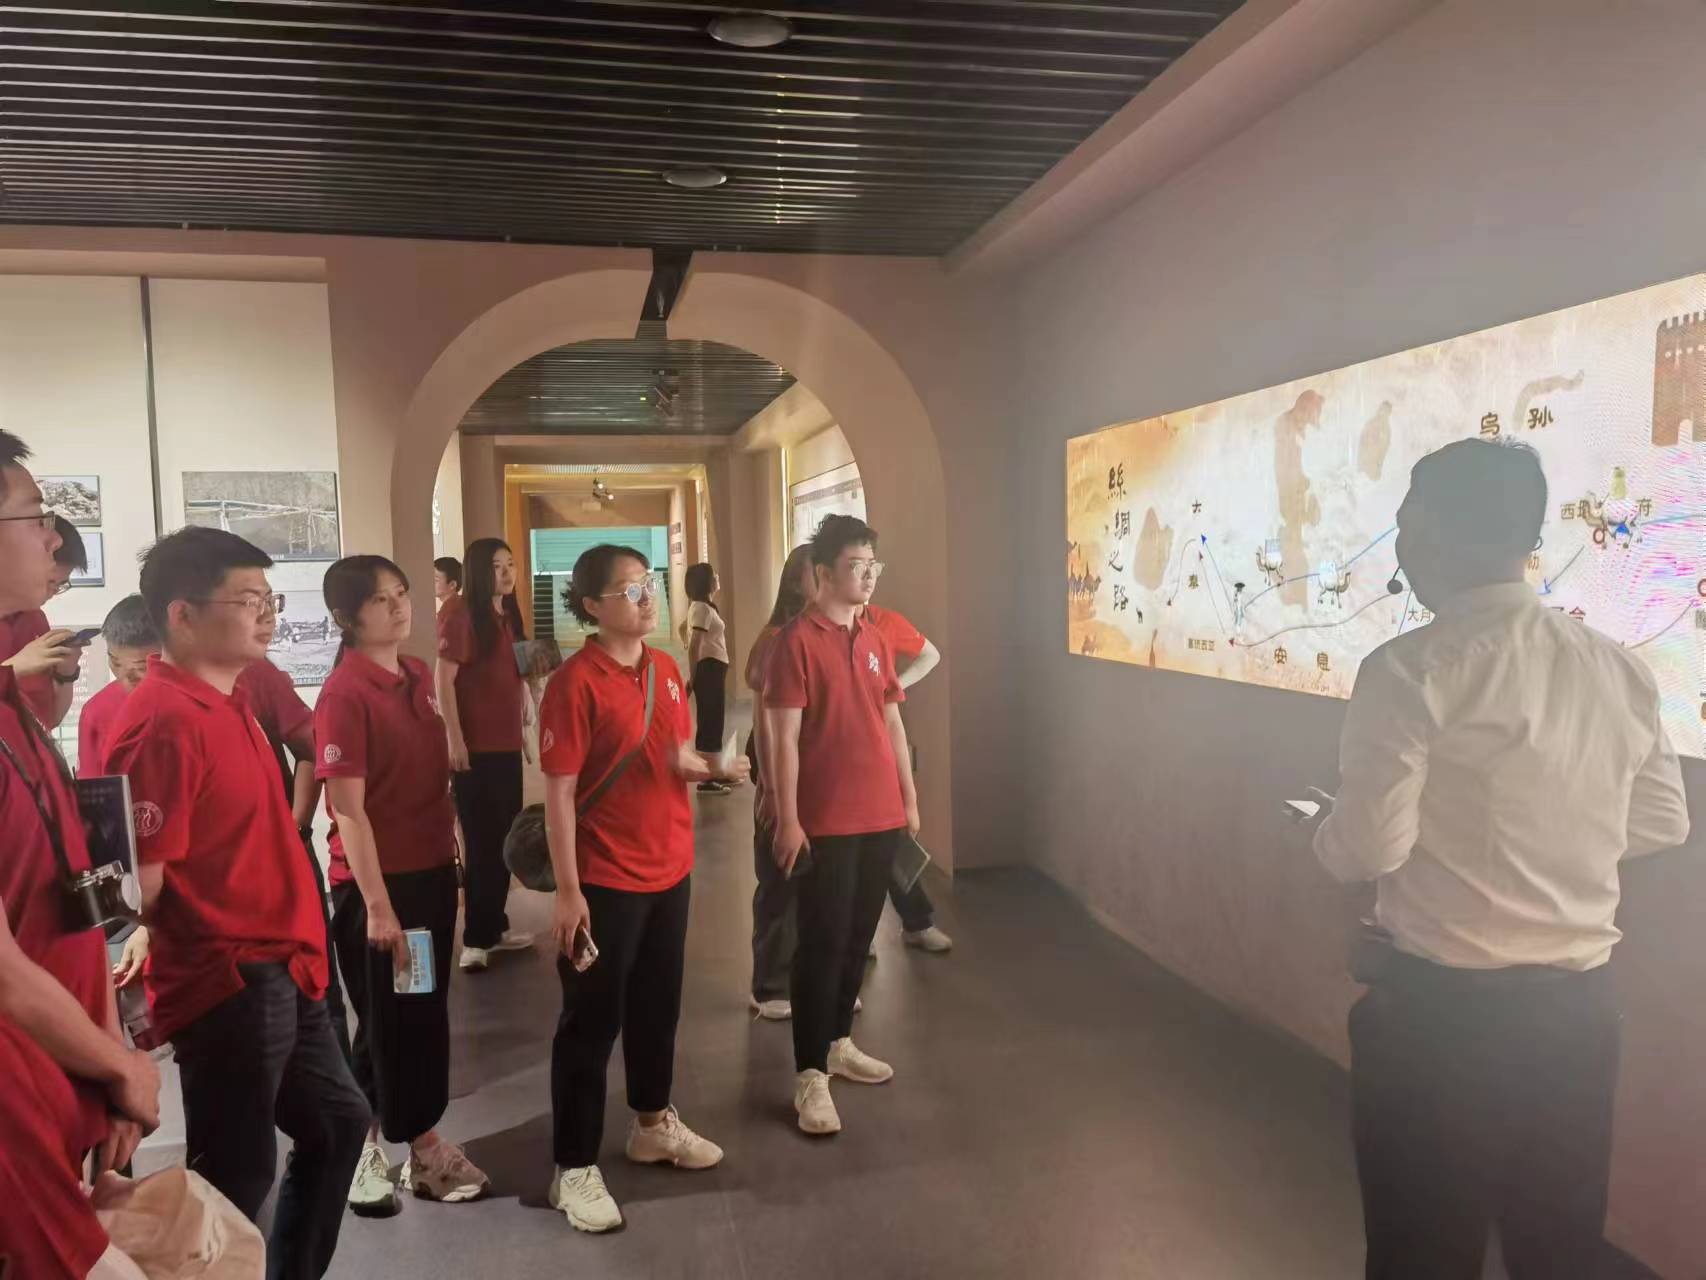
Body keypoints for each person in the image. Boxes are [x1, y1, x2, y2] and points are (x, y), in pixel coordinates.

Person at [1307, 439, 1690, 1280]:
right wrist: (1555, 837)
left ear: (1432, 534)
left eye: (1405, 525)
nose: (1401, 547)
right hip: (1579, 1020)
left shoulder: (1408, 669)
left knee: (1422, 1254)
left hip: (1437, 1024)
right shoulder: (1618, 668)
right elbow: (1664, 821)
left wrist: (1322, 833)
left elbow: (1366, 848)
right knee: (1559, 1251)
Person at [105, 525, 369, 1279]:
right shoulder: (162, 720)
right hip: (231, 979)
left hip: (284, 963)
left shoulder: (228, 700)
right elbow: (144, 884)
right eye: (247, 599)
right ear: (183, 614)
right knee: (234, 1177)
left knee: (338, 1122)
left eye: (268, 598)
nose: (267, 613)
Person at [538, 544, 745, 1233]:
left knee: (658, 1006)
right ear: (591, 607)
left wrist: (714, 767)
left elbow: (672, 755)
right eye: (629, 589)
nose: (647, 596)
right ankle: (572, 1167)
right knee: (590, 1023)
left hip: (671, 867)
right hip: (604, 880)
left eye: (649, 583)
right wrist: (569, 891)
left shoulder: (665, 668)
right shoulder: (574, 683)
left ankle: (652, 1124)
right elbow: (560, 794)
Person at [0, 430, 161, 1279]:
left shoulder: (20, 720)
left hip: (64, 1083)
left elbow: (77, 900)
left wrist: (108, 1060)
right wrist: (118, 1064)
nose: (56, 541)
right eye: (35, 517)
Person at [317, 555, 490, 1218]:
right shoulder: (344, 694)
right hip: (378, 888)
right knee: (387, 1018)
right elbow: (349, 812)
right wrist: (379, 907)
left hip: (427, 877)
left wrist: (455, 861)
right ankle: (383, 1145)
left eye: (401, 593)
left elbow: (434, 783)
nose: (397, 607)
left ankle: (402, 1141)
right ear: (346, 617)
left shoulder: (416, 675)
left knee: (413, 1012)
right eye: (380, 600)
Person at [765, 514, 919, 1136]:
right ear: (823, 573)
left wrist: (909, 797)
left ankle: (837, 1043)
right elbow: (782, 739)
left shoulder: (874, 636)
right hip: (825, 820)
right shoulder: (794, 642)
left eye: (872, 565)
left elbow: (892, 723)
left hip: (880, 813)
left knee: (859, 936)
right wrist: (787, 818)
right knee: (821, 942)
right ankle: (809, 1073)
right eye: (856, 566)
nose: (868, 576)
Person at [234, 650, 352, 1062]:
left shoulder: (255, 673)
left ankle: (342, 1092)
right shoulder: (139, 706)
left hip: (284, 858)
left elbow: (309, 746)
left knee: (318, 986)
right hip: (223, 884)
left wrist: (296, 827)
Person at [436, 536, 534, 972]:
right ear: (478, 570)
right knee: (480, 841)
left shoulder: (506, 612)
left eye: (510, 564)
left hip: (506, 745)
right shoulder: (459, 612)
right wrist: (455, 739)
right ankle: (475, 938)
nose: (507, 573)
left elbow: (517, 672)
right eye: (497, 566)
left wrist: (526, 728)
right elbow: (443, 680)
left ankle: (495, 925)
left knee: (506, 839)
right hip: (476, 749)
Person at [743, 545, 815, 1020]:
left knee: (813, 882)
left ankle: (811, 978)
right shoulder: (775, 639)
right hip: (782, 770)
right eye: (817, 572)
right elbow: (766, 724)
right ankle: (769, 985)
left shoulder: (825, 634)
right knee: (780, 880)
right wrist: (770, 789)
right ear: (796, 581)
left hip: (817, 772)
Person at [860, 595, 953, 954]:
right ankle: (860, 932)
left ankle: (916, 922)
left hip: (879, 741)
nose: (866, 578)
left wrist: (897, 683)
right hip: (837, 749)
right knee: (851, 847)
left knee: (892, 835)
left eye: (871, 569)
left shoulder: (884, 622)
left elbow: (930, 654)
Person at [1, 514, 90, 728]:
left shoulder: (35, 619)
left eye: (60, 584)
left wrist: (66, 672)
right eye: (49, 581)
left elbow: (50, 720)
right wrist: (14, 668)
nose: (52, 592)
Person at [77, 594, 159, 779]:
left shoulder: (199, 702)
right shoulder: (97, 711)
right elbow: (93, 786)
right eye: (115, 662)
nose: (125, 676)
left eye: (141, 667)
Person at [683, 562, 732, 797]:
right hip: (708, 670)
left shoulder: (703, 607)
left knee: (714, 722)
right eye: (714, 575)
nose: (717, 577)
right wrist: (693, 678)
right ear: (706, 582)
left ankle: (714, 771)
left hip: (713, 669)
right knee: (710, 724)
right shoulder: (701, 608)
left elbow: (684, 630)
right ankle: (706, 779)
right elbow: (695, 645)